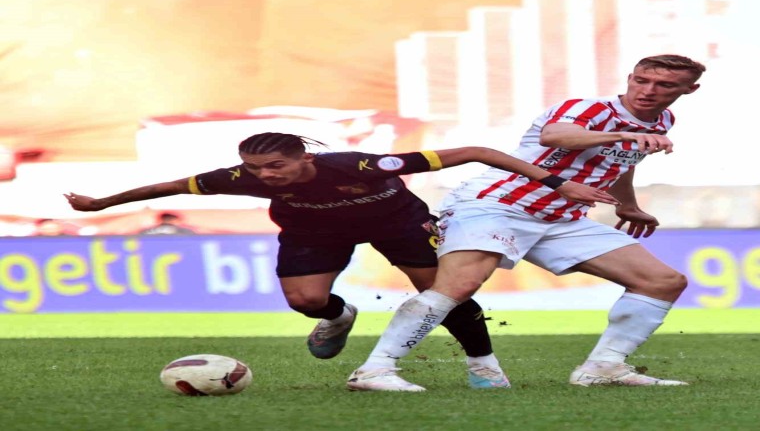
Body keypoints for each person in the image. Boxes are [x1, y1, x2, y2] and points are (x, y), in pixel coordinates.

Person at [65, 132, 616, 389]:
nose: (265, 177)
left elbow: (477, 151)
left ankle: (483, 368)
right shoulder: (236, 177)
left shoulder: (362, 165)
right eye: (256, 170)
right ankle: (338, 315)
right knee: (305, 300)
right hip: (313, 231)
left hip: (397, 224)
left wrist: (557, 182)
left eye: (276, 168)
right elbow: (168, 187)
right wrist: (101, 204)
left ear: (304, 158)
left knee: (446, 295)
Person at [347, 54, 706, 391]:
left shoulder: (662, 121)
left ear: (689, 90)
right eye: (641, 80)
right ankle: (376, 369)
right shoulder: (590, 109)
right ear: (629, 77)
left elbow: (621, 162)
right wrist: (623, 134)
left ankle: (604, 367)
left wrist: (628, 205)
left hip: (560, 218)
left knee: (662, 282)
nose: (648, 90)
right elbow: (556, 135)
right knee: (460, 285)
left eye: (664, 85)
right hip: (496, 204)